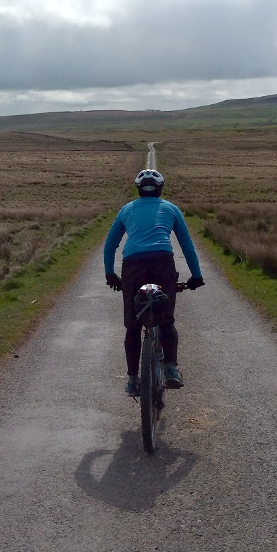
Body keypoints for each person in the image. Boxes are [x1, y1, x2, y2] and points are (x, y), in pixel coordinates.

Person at [104, 168, 205, 396]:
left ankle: (132, 380)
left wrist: (110, 274)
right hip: (162, 264)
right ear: (160, 188)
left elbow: (110, 245)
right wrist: (196, 276)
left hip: (133, 266)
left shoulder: (126, 209)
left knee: (133, 325)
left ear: (138, 189)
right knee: (166, 319)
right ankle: (170, 368)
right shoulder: (171, 209)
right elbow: (187, 246)